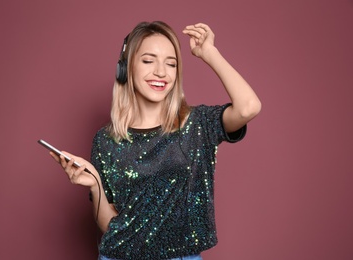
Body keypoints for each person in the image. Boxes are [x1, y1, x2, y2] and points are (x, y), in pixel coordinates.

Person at [50, 21, 261, 260]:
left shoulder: (197, 124)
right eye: (149, 61)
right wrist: (95, 184)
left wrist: (210, 54)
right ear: (126, 68)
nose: (161, 72)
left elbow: (248, 108)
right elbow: (111, 227)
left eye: (171, 64)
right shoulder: (105, 141)